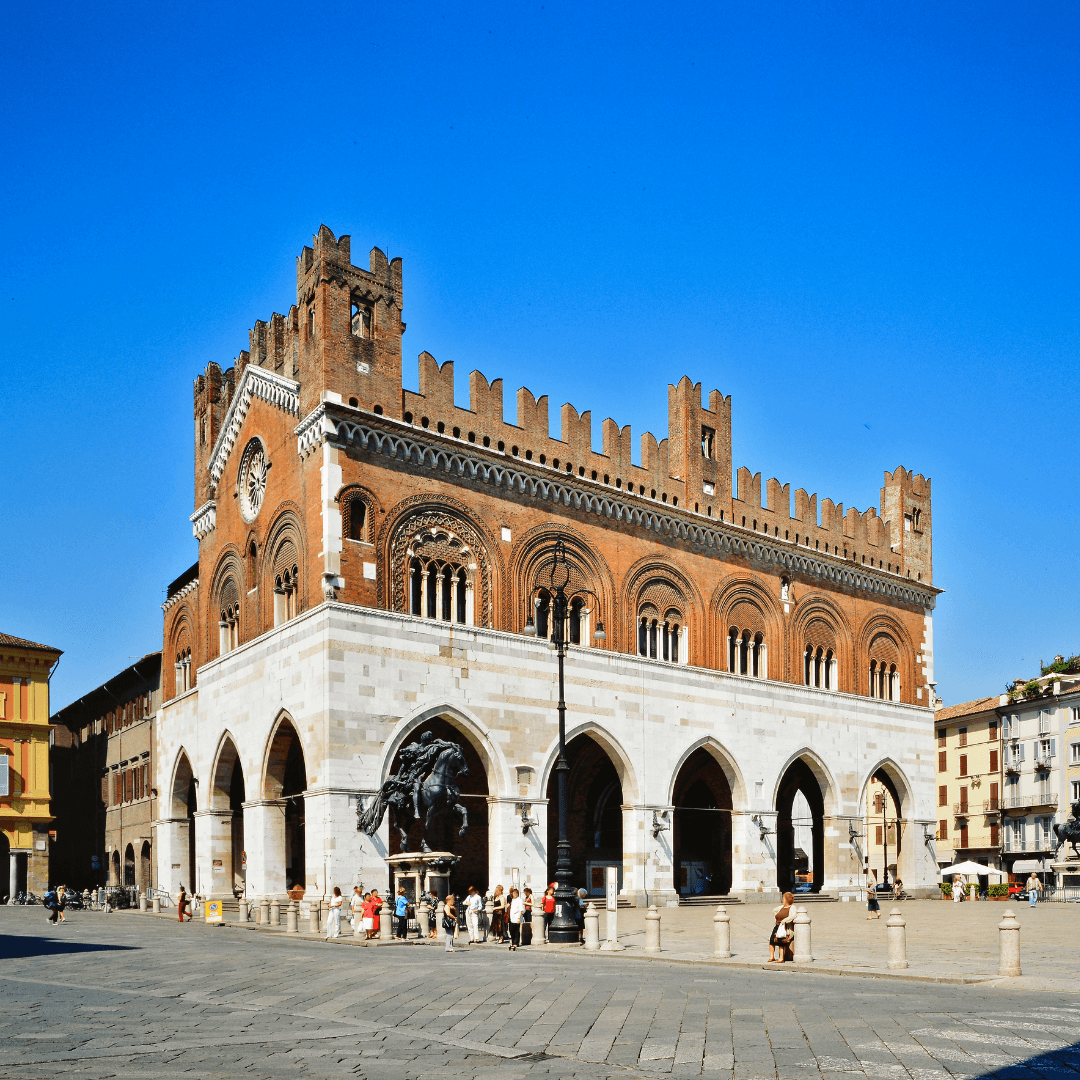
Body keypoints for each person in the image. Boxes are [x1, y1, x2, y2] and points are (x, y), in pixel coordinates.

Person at [768, 892, 796, 962]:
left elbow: (794, 915)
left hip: (785, 927)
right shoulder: (781, 907)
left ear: (787, 899)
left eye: (783, 898)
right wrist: (777, 916)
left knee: (781, 942)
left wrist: (785, 920)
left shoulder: (792, 907)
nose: (782, 900)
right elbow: (774, 910)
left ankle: (781, 958)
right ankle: (772, 956)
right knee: (772, 941)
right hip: (777, 926)